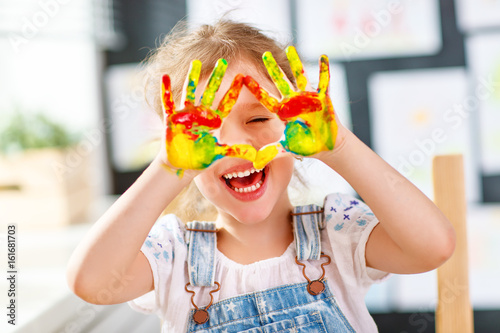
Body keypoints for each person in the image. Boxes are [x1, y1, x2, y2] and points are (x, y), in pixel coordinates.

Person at [66, 20, 456, 332]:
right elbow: (91, 283)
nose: (237, 145)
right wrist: (170, 169)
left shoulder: (337, 233)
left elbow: (433, 247)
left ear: (296, 124)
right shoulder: (174, 258)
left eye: (257, 118)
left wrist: (339, 146)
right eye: (207, 133)